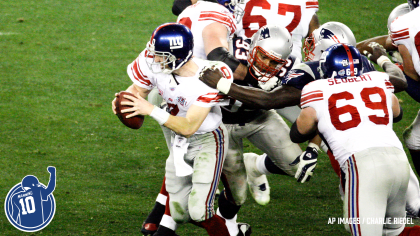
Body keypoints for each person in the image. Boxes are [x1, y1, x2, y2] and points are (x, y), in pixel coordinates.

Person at [112, 23, 241, 236]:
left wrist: (151, 109)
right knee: (179, 213)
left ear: (178, 56)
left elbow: (190, 126)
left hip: (207, 139)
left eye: (161, 55)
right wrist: (123, 102)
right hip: (178, 141)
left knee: (201, 212)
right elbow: (137, 90)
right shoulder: (154, 61)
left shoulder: (210, 76)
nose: (154, 58)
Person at [290, 43, 409, 236]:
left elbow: (298, 132)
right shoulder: (377, 79)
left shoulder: (317, 88)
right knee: (392, 232)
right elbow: (397, 113)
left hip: (363, 165)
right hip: (399, 162)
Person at [356, 1, 420, 218]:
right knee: (414, 139)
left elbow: (414, 88)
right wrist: (352, 51)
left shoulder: (406, 25)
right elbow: (385, 41)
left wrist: (384, 64)